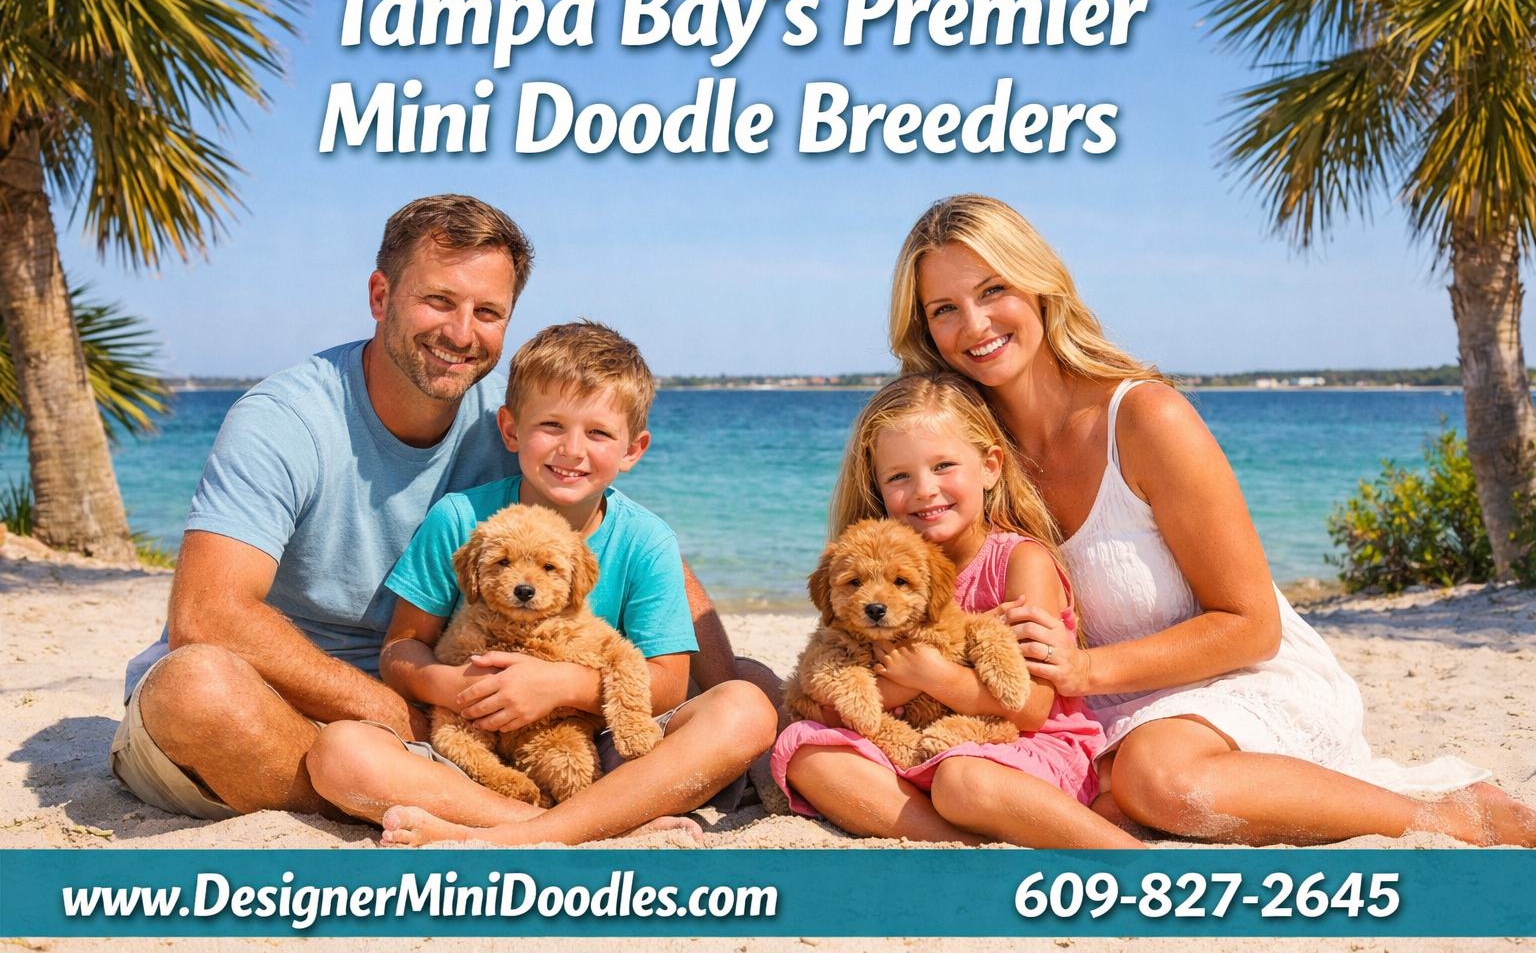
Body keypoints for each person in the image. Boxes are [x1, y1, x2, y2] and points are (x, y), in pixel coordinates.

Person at [885, 193, 1536, 847]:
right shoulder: (955, 460)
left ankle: (1450, 819)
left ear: (1040, 287)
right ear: (925, 330)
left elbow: (1253, 625)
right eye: (944, 309)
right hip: (1082, 718)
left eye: (993, 290)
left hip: (1234, 682)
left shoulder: (1144, 419)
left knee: (1156, 780)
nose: (974, 325)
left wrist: (1084, 670)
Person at [109, 195, 773, 825]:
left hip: (453, 723)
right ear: (381, 296)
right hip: (293, 712)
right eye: (438, 301)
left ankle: (479, 805)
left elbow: (627, 539)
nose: (461, 333)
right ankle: (536, 823)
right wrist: (391, 705)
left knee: (747, 698)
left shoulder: (521, 425)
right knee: (196, 690)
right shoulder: (285, 421)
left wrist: (724, 697)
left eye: (488, 312)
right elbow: (206, 616)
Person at [307, 322, 776, 846]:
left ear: (632, 449)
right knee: (340, 754)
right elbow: (400, 651)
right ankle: (556, 825)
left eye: (598, 433)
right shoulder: (461, 519)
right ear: (509, 430)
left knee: (745, 707)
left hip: (601, 744)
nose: (571, 449)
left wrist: (559, 686)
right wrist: (455, 687)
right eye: (551, 425)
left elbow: (666, 683)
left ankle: (507, 831)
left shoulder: (646, 539)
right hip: (477, 742)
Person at [769, 372, 1142, 849]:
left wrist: (931, 677)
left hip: (1020, 748)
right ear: (878, 486)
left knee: (961, 780)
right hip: (918, 746)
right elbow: (833, 705)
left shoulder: (1019, 563)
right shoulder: (868, 570)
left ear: (989, 467)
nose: (925, 490)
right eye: (899, 476)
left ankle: (1122, 855)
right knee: (802, 752)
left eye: (944, 465)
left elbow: (1030, 707)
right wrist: (893, 686)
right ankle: (955, 844)